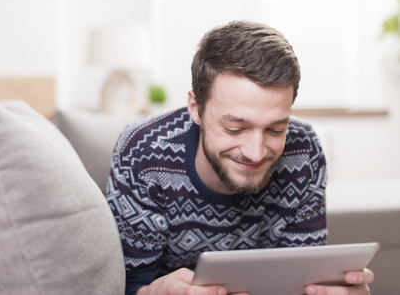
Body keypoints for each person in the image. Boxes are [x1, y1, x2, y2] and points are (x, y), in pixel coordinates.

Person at [106, 21, 374, 295]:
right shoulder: (143, 152)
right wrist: (151, 292)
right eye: (235, 129)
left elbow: (300, 279)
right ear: (196, 109)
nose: (255, 152)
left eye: (275, 129)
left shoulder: (303, 152)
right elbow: (123, 284)